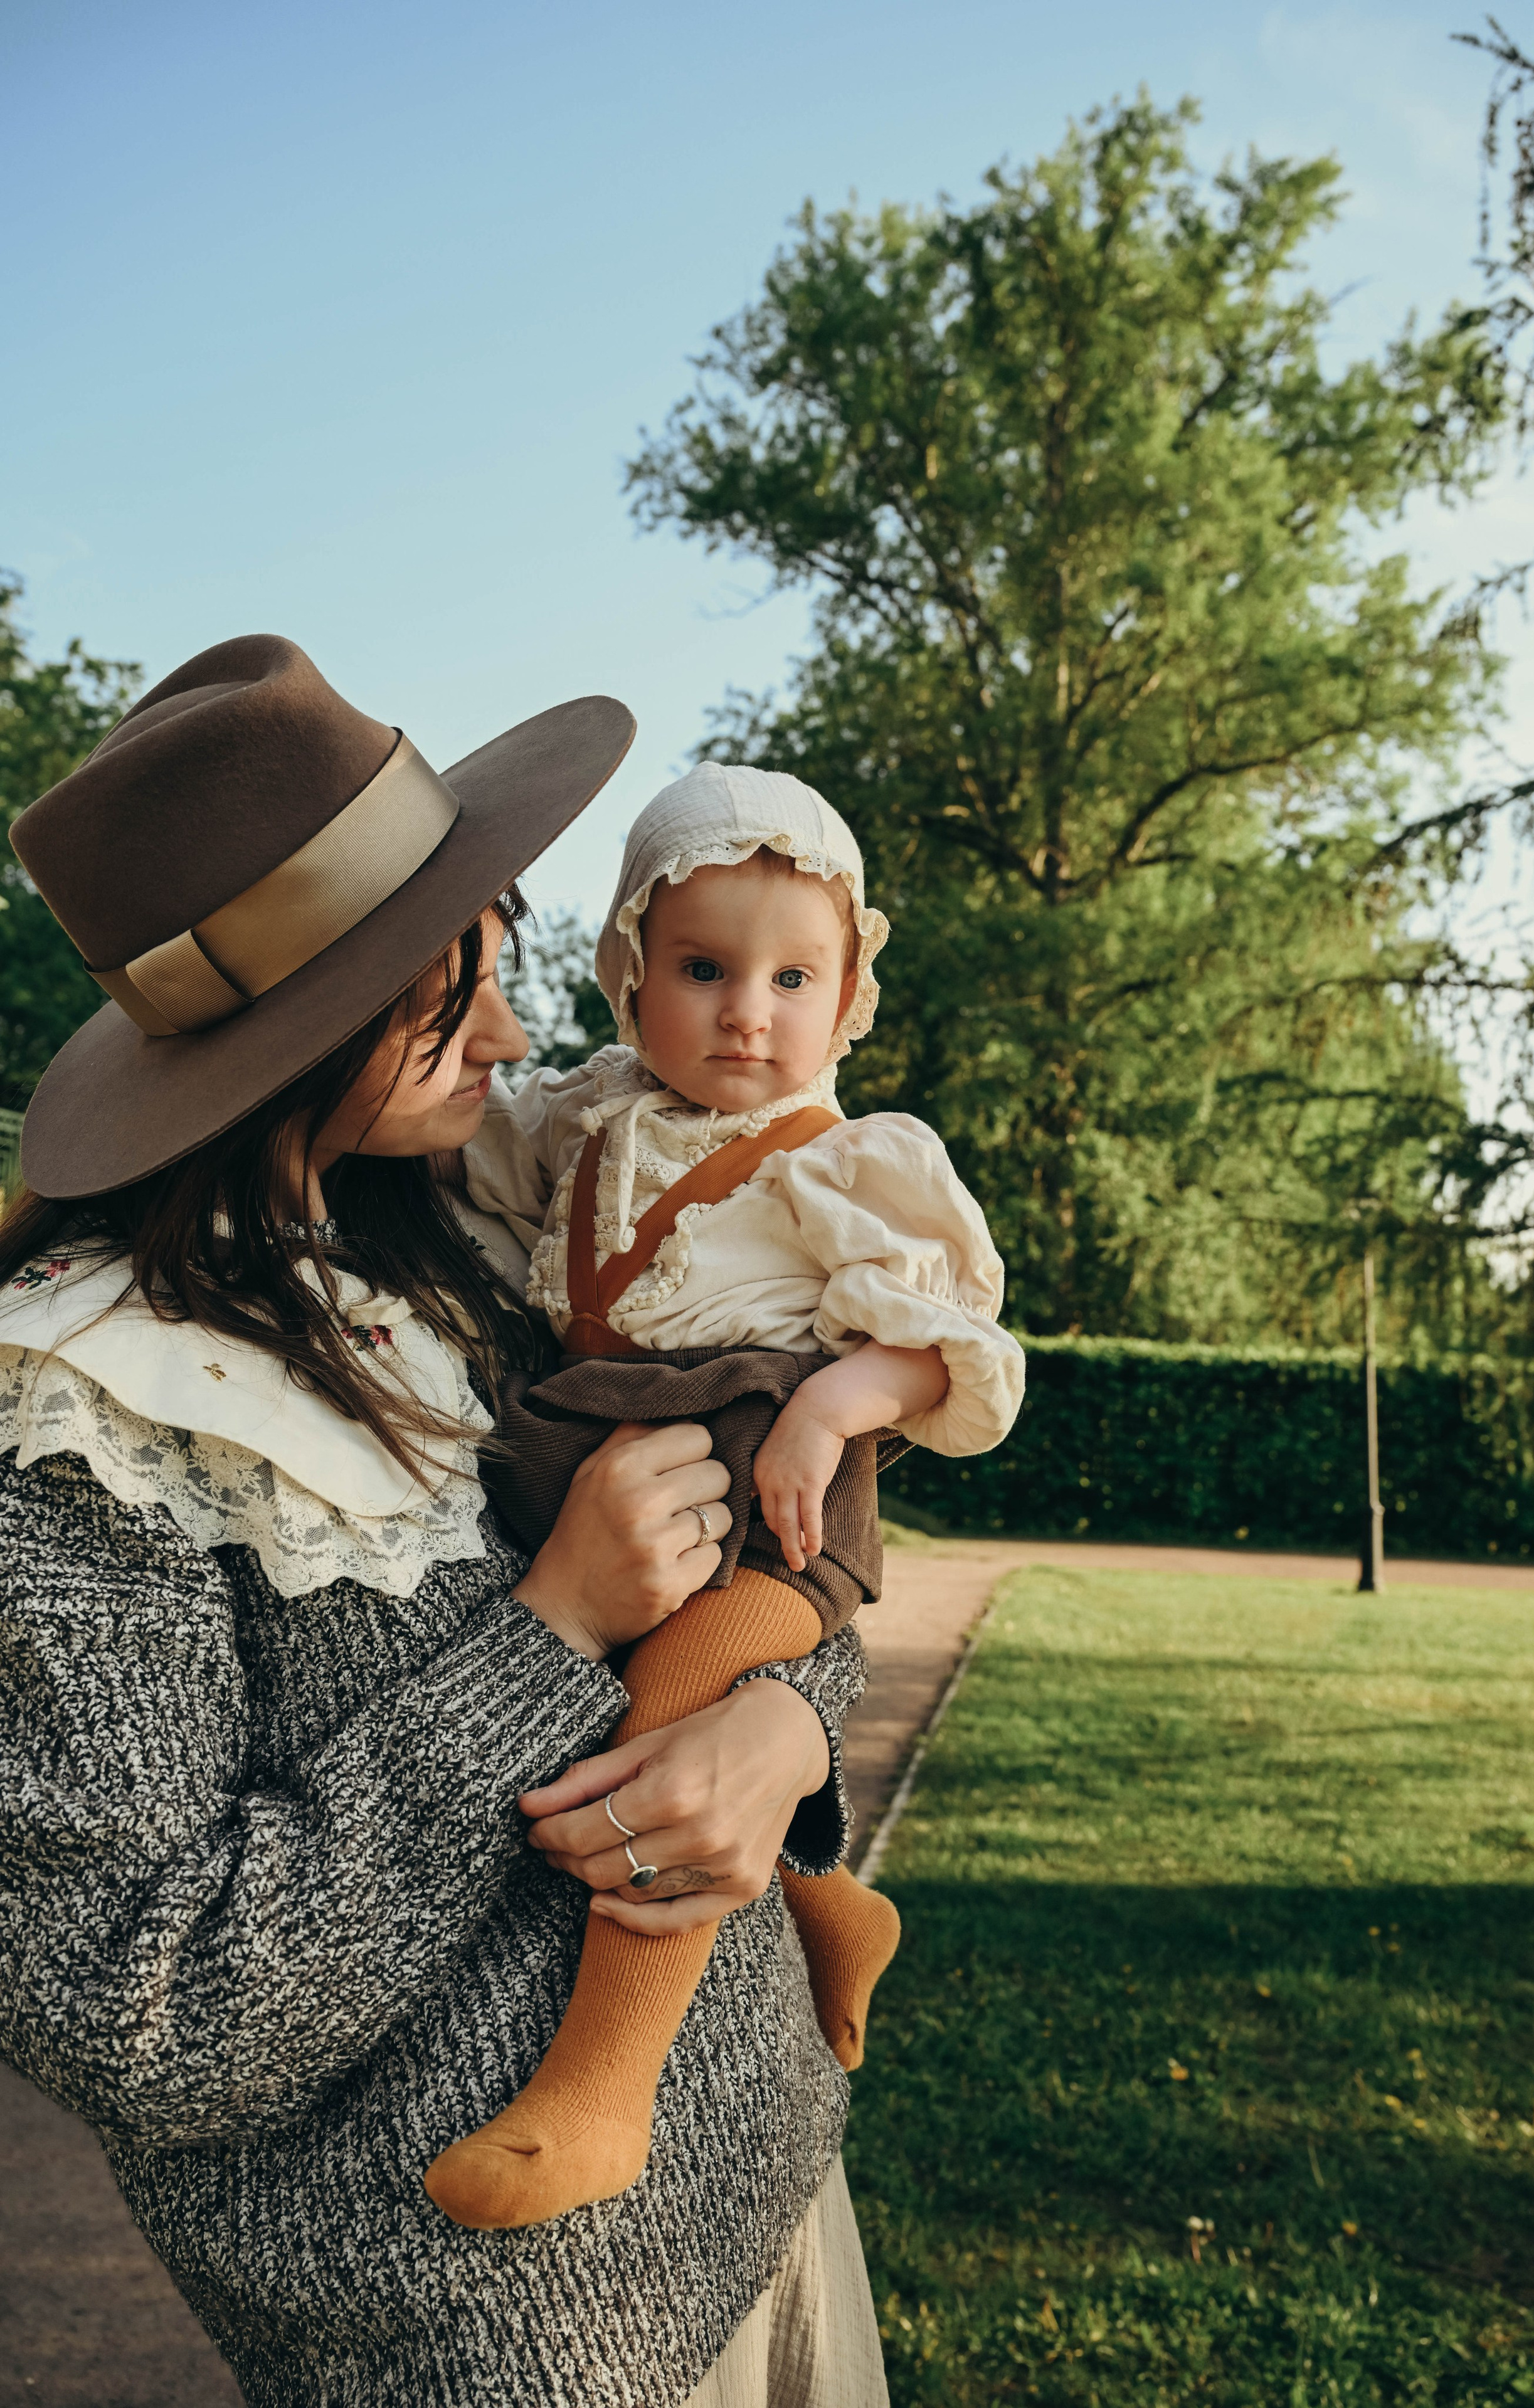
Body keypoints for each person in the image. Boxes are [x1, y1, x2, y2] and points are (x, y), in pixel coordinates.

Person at [0, 638, 890, 2408]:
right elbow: (139, 2013)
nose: (513, 1033)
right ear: (295, 1034)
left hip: (773, 2181)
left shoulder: (472, 1248)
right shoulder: (84, 1418)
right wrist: (549, 1635)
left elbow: (782, 1540)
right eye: (449, 992)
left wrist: (788, 1730)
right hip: (508, 2338)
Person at [427, 763, 1025, 2231]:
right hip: (615, 1476)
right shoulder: (582, 1123)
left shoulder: (846, 1161)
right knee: (613, 1696)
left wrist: (834, 1404)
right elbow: (461, 1170)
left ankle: (603, 2086)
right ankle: (831, 1904)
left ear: (846, 997)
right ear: (629, 975)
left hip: (774, 1513)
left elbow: (958, 1347)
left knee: (677, 1710)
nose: (747, 1013)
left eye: (790, 979)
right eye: (703, 970)